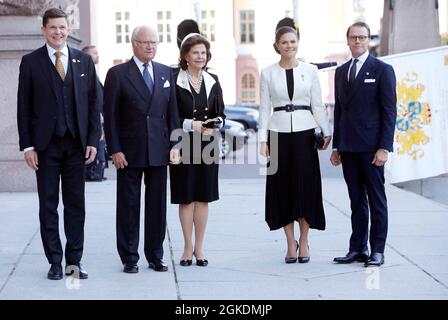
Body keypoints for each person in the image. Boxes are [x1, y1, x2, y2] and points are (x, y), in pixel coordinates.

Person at [17, 8, 100, 280]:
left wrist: (92, 142)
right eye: (53, 27)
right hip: (45, 147)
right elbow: (24, 108)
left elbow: (92, 105)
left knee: (76, 204)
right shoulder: (30, 62)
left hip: (76, 146)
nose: (58, 32)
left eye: (62, 27)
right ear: (44, 30)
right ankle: (54, 261)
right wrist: (27, 146)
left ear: (68, 29)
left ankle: (73, 261)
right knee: (48, 205)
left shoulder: (83, 61)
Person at [104, 25, 180, 273]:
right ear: (133, 44)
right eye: (145, 42)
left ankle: (155, 255)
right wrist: (115, 149)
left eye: (154, 43)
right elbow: (111, 116)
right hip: (128, 151)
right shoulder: (117, 74)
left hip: (158, 150)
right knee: (128, 205)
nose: (150, 47)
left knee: (157, 206)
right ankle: (129, 256)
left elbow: (173, 115)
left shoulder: (165, 72)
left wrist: (175, 145)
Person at [259, 25, 331, 264]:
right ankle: (290, 243)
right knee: (282, 189)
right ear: (277, 45)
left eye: (292, 41)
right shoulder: (267, 72)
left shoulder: (310, 71)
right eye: (284, 42)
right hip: (277, 134)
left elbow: (317, 104)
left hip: (304, 134)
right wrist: (262, 139)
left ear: (298, 42)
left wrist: (327, 131)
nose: (289, 46)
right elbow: (263, 109)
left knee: (305, 188)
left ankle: (305, 240)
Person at [331, 22, 397, 267]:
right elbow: (340, 111)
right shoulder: (341, 71)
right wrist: (337, 146)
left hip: (372, 149)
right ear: (347, 40)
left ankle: (377, 250)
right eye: (353, 37)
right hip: (348, 148)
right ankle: (358, 247)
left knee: (376, 200)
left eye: (362, 37)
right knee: (356, 201)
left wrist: (384, 147)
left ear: (368, 39)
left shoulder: (382, 70)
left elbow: (389, 112)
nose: (357, 41)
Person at [170, 32, 225, 267]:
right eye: (196, 53)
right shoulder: (175, 79)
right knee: (186, 197)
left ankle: (200, 248)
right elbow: (170, 114)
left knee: (203, 197)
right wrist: (191, 125)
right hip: (182, 142)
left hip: (207, 144)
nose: (200, 56)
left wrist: (215, 124)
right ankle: (187, 246)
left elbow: (221, 113)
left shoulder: (213, 80)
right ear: (186, 56)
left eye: (203, 53)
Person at [82, 45, 108, 182]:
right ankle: (91, 172)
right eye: (94, 53)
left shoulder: (93, 72)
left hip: (99, 116)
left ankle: (97, 172)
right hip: (94, 117)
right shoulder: (84, 73)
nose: (98, 55)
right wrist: (98, 114)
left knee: (100, 144)